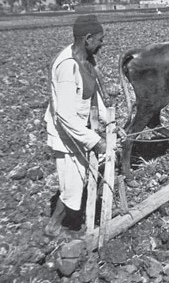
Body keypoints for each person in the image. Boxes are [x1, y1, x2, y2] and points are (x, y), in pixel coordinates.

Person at [44, 14, 108, 237]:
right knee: (71, 186)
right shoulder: (67, 67)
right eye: (100, 39)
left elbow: (94, 96)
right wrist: (95, 140)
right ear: (88, 38)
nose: (102, 44)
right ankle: (53, 227)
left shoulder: (87, 61)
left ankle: (74, 218)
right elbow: (65, 116)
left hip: (80, 130)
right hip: (66, 135)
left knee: (81, 177)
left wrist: (109, 122)